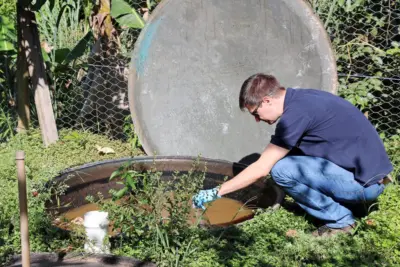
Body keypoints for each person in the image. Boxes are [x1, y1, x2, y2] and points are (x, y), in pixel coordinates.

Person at [192, 73, 393, 237]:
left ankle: (340, 222)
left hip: (365, 186)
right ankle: (341, 207)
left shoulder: (295, 116)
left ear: (267, 101)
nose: (256, 120)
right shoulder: (302, 99)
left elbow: (262, 168)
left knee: (281, 170)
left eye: (255, 113)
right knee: (285, 159)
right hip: (373, 177)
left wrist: (216, 191)